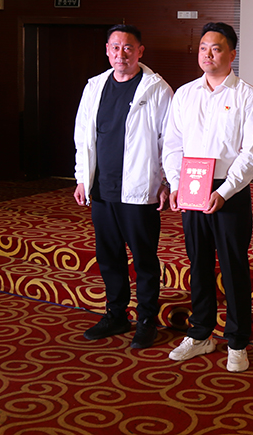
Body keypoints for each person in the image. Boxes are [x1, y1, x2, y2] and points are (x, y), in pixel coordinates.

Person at [162, 22, 253, 372]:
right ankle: (200, 333)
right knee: (199, 263)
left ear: (232, 54)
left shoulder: (247, 95)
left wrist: (223, 191)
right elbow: (172, 144)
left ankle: (237, 341)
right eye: (204, 47)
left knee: (234, 266)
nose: (208, 54)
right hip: (191, 188)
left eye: (216, 48)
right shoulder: (185, 94)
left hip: (229, 191)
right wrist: (176, 183)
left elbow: (251, 153)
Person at [74, 24, 173, 349]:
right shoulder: (95, 86)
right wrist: (81, 177)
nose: (121, 54)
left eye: (128, 47)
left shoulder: (157, 89)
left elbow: (170, 141)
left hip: (140, 189)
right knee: (109, 257)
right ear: (107, 50)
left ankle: (146, 320)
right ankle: (115, 314)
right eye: (115, 47)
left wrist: (166, 181)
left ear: (140, 51)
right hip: (102, 188)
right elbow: (82, 137)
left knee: (144, 259)